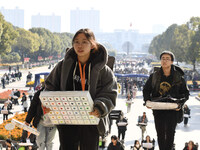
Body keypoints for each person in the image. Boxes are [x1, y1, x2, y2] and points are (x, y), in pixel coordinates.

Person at [44, 28, 117, 150]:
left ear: (93, 44)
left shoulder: (103, 70)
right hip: (67, 119)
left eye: (84, 42)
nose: (80, 45)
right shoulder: (63, 65)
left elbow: (110, 92)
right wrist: (48, 102)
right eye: (76, 42)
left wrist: (100, 107)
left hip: (90, 119)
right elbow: (50, 85)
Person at [143, 51, 190, 150]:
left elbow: (185, 93)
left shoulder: (178, 77)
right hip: (158, 109)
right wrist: (147, 101)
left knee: (170, 134)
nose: (165, 61)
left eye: (167, 59)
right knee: (160, 133)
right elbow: (146, 90)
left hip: (172, 110)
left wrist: (180, 105)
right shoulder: (154, 76)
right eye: (163, 58)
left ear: (172, 61)